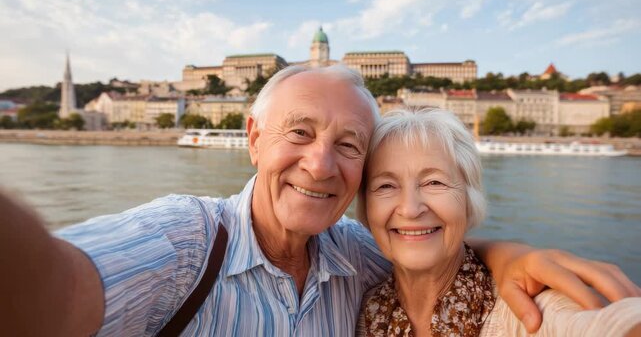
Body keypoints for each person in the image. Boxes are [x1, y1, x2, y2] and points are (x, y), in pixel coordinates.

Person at [1, 65, 639, 336]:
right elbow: (51, 288)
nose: (320, 163)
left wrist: (505, 254)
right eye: (298, 133)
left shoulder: (357, 257)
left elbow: (429, 247)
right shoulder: (184, 242)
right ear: (252, 138)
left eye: (349, 145)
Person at [356, 108, 641, 337]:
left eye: (434, 182)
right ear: (366, 207)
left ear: (469, 199)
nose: (410, 208)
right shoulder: (358, 306)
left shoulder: (525, 310)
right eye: (385, 186)